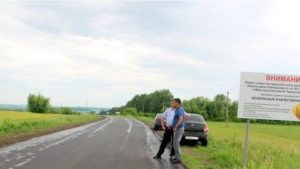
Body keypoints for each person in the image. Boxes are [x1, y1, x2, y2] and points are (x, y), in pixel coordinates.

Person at [171, 98, 185, 163]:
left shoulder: (179, 110)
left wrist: (176, 126)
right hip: (177, 128)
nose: (172, 104)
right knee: (175, 143)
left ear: (177, 103)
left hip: (179, 128)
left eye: (173, 103)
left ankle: (178, 159)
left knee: (176, 143)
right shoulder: (178, 110)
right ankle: (176, 157)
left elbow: (181, 119)